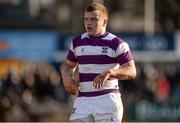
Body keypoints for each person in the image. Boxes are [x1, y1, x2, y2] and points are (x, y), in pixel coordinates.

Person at [60, 3, 136, 122]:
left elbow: (131, 71)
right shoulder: (77, 42)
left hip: (107, 100)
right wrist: (66, 78)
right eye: (86, 19)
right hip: (83, 100)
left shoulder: (117, 43)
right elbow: (68, 65)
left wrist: (111, 72)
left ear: (104, 22)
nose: (88, 23)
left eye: (94, 19)